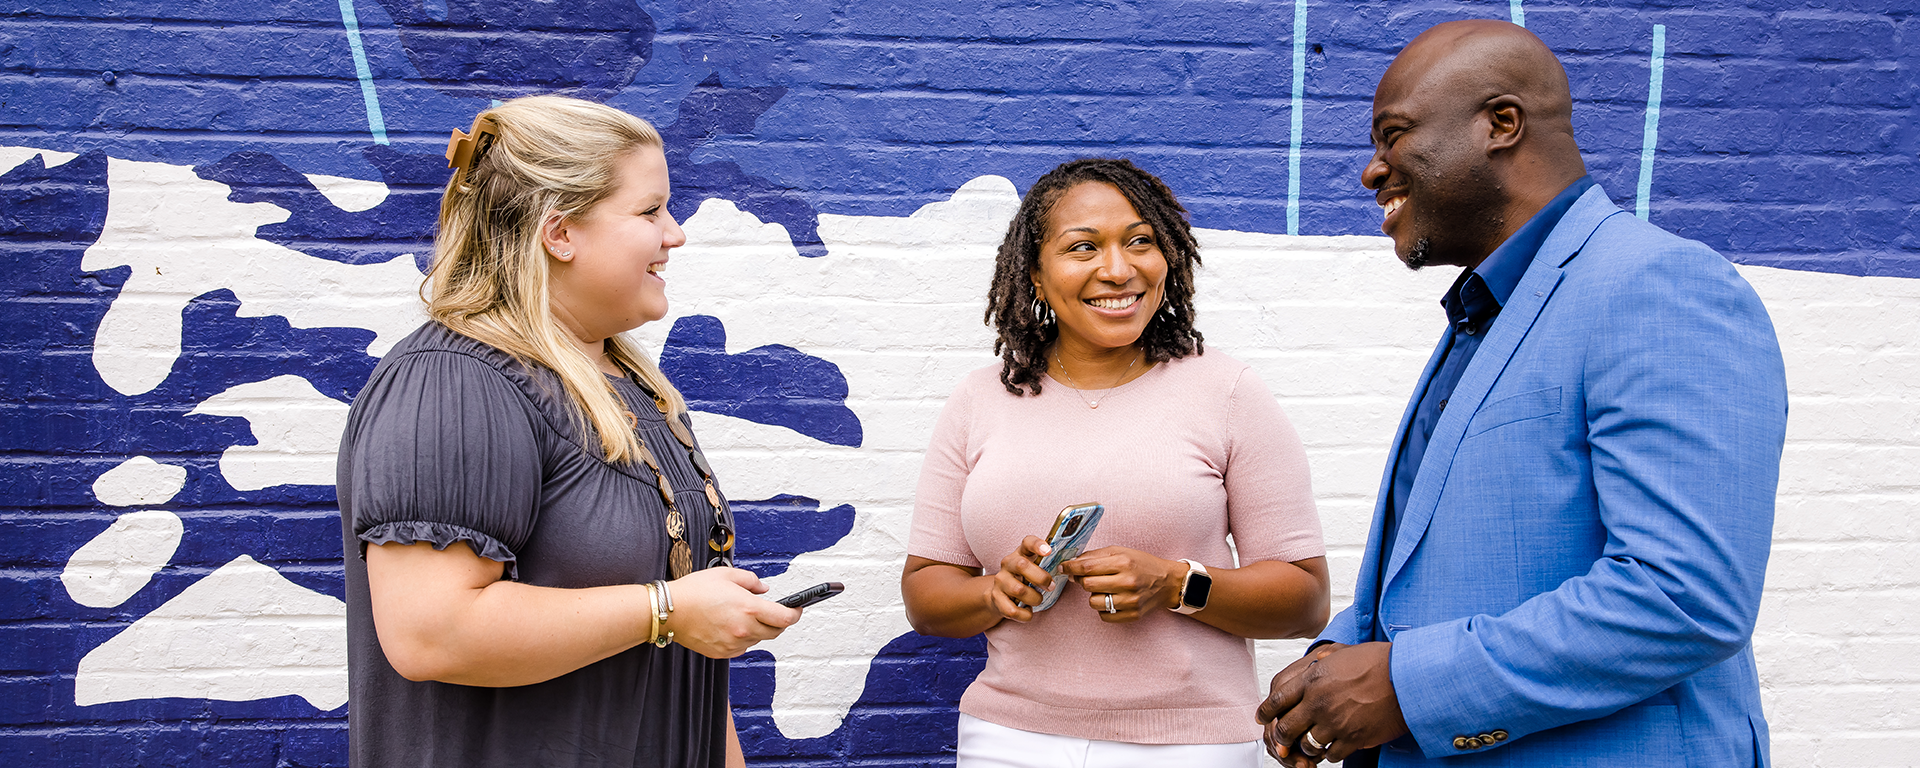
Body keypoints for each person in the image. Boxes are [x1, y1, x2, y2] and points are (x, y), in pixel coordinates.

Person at [1256, 20, 1788, 768]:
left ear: (1501, 124)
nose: (1372, 171)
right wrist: (1338, 655)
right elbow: (1462, 569)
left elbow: (1683, 597)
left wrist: (1407, 687)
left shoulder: (1657, 288)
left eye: (1394, 134)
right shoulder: (1490, 310)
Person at [336, 96, 802, 768]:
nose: (675, 234)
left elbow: (686, 660)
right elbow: (430, 633)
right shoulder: (454, 383)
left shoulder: (628, 383)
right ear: (559, 233)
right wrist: (663, 610)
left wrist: (678, 616)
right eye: (649, 211)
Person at [901, 158, 1332, 767]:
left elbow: (1305, 601)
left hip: (1192, 746)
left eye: (1139, 242)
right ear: (1035, 274)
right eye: (1083, 248)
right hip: (1009, 742)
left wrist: (1176, 584)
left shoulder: (1228, 391)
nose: (1117, 269)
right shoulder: (980, 398)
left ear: (1169, 258)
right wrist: (996, 592)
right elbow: (925, 593)